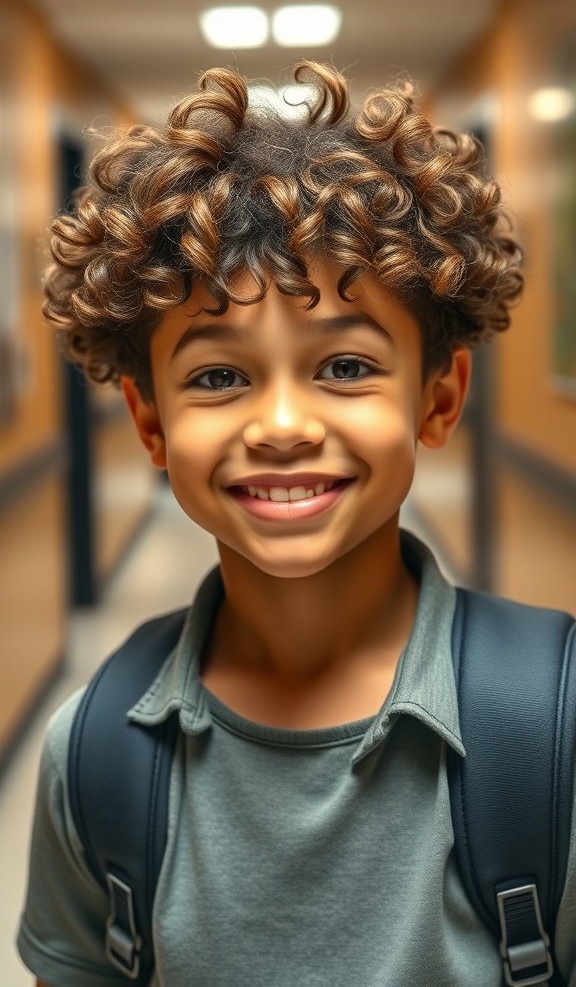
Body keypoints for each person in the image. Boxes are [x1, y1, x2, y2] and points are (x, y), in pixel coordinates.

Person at [16, 60, 576, 987]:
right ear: (150, 421)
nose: (281, 426)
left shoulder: (551, 735)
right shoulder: (95, 753)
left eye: (347, 368)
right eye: (217, 377)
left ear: (438, 400)